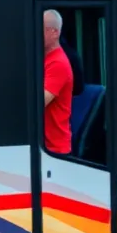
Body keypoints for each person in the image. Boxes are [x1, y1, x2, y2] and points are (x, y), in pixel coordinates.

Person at [43, 9, 74, 154]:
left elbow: (38, 103)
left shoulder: (58, 63)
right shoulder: (45, 59)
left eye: (41, 29)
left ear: (55, 33)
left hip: (54, 150)